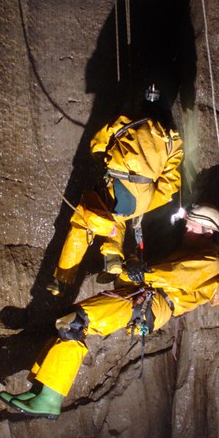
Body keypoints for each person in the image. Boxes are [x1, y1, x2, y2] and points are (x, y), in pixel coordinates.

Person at [0, 204, 219, 418]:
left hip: (152, 303)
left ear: (208, 231)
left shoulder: (209, 262)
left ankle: (49, 399)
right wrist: (133, 267)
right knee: (69, 321)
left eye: (192, 226)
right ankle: (39, 389)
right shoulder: (193, 253)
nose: (186, 228)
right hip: (147, 297)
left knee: (76, 322)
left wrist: (142, 273)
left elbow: (175, 274)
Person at [46, 85, 184, 296]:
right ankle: (112, 256)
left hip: (119, 184)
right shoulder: (174, 143)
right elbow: (170, 186)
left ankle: (61, 277)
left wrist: (106, 161)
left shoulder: (127, 120)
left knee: (84, 221)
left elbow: (97, 145)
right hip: (141, 198)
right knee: (118, 216)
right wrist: (145, 204)